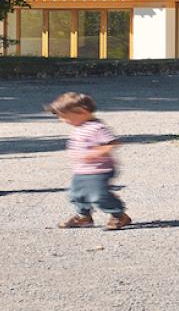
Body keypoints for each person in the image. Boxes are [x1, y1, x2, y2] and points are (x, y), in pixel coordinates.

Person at [46, 91, 131, 230]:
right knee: (76, 194)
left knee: (99, 195)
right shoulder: (80, 127)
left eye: (65, 117)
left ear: (82, 111)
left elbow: (113, 143)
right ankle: (83, 217)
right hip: (81, 170)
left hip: (99, 170)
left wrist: (95, 153)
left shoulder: (97, 128)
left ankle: (119, 215)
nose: (63, 121)